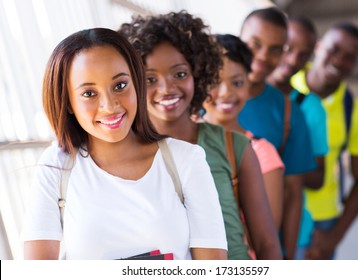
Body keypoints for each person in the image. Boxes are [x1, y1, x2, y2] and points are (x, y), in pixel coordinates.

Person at [22, 28, 228, 260]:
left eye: (120, 86)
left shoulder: (186, 160)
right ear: (68, 102)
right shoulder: (55, 167)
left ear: (137, 84)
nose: (110, 106)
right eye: (89, 93)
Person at [119, 11, 282, 260]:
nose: (167, 88)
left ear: (199, 73)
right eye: (150, 79)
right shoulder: (123, 153)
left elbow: (267, 244)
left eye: (180, 74)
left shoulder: (234, 146)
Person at [291, 22, 358, 259]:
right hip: (272, 208)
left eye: (350, 57)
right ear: (318, 46)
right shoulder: (284, 82)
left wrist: (334, 236)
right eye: (334, 49)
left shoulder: (355, 112)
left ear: (357, 65)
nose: (338, 61)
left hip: (320, 223)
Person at [238, 7, 316, 259]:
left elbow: (293, 193)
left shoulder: (288, 112)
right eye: (255, 44)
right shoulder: (204, 97)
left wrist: (288, 256)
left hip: (261, 249)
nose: (262, 56)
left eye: (274, 49)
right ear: (240, 39)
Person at [202, 34, 284, 230]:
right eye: (214, 82)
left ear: (249, 83)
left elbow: (267, 234)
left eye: (237, 83)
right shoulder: (180, 141)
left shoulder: (263, 153)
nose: (225, 93)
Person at [267, 17, 328, 259]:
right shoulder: (235, 99)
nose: (293, 60)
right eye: (288, 48)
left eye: (303, 55)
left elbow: (317, 177)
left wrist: (276, 165)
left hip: (291, 231)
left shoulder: (307, 107)